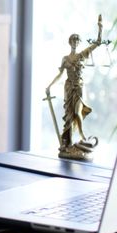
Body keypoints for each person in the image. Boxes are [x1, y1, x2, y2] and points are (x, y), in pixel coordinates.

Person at [45, 15, 103, 159]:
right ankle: (67, 145)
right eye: (73, 40)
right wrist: (49, 86)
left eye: (77, 40)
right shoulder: (65, 59)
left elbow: (98, 43)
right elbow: (60, 75)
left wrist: (100, 28)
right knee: (69, 117)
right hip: (68, 87)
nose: (75, 43)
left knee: (77, 113)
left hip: (78, 87)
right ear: (70, 42)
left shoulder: (82, 55)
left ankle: (83, 136)